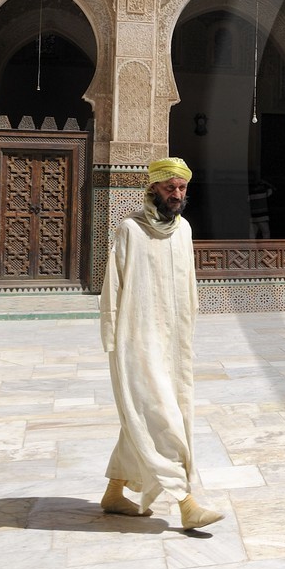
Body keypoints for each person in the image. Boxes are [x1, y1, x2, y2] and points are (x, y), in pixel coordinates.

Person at [98, 156, 223, 531]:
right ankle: (186, 502)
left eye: (182, 187)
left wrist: (188, 329)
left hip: (174, 343)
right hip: (137, 341)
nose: (177, 194)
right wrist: (112, 336)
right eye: (170, 187)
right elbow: (113, 285)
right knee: (162, 418)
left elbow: (189, 285)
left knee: (147, 417)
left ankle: (114, 492)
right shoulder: (130, 230)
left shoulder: (183, 230)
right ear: (153, 187)